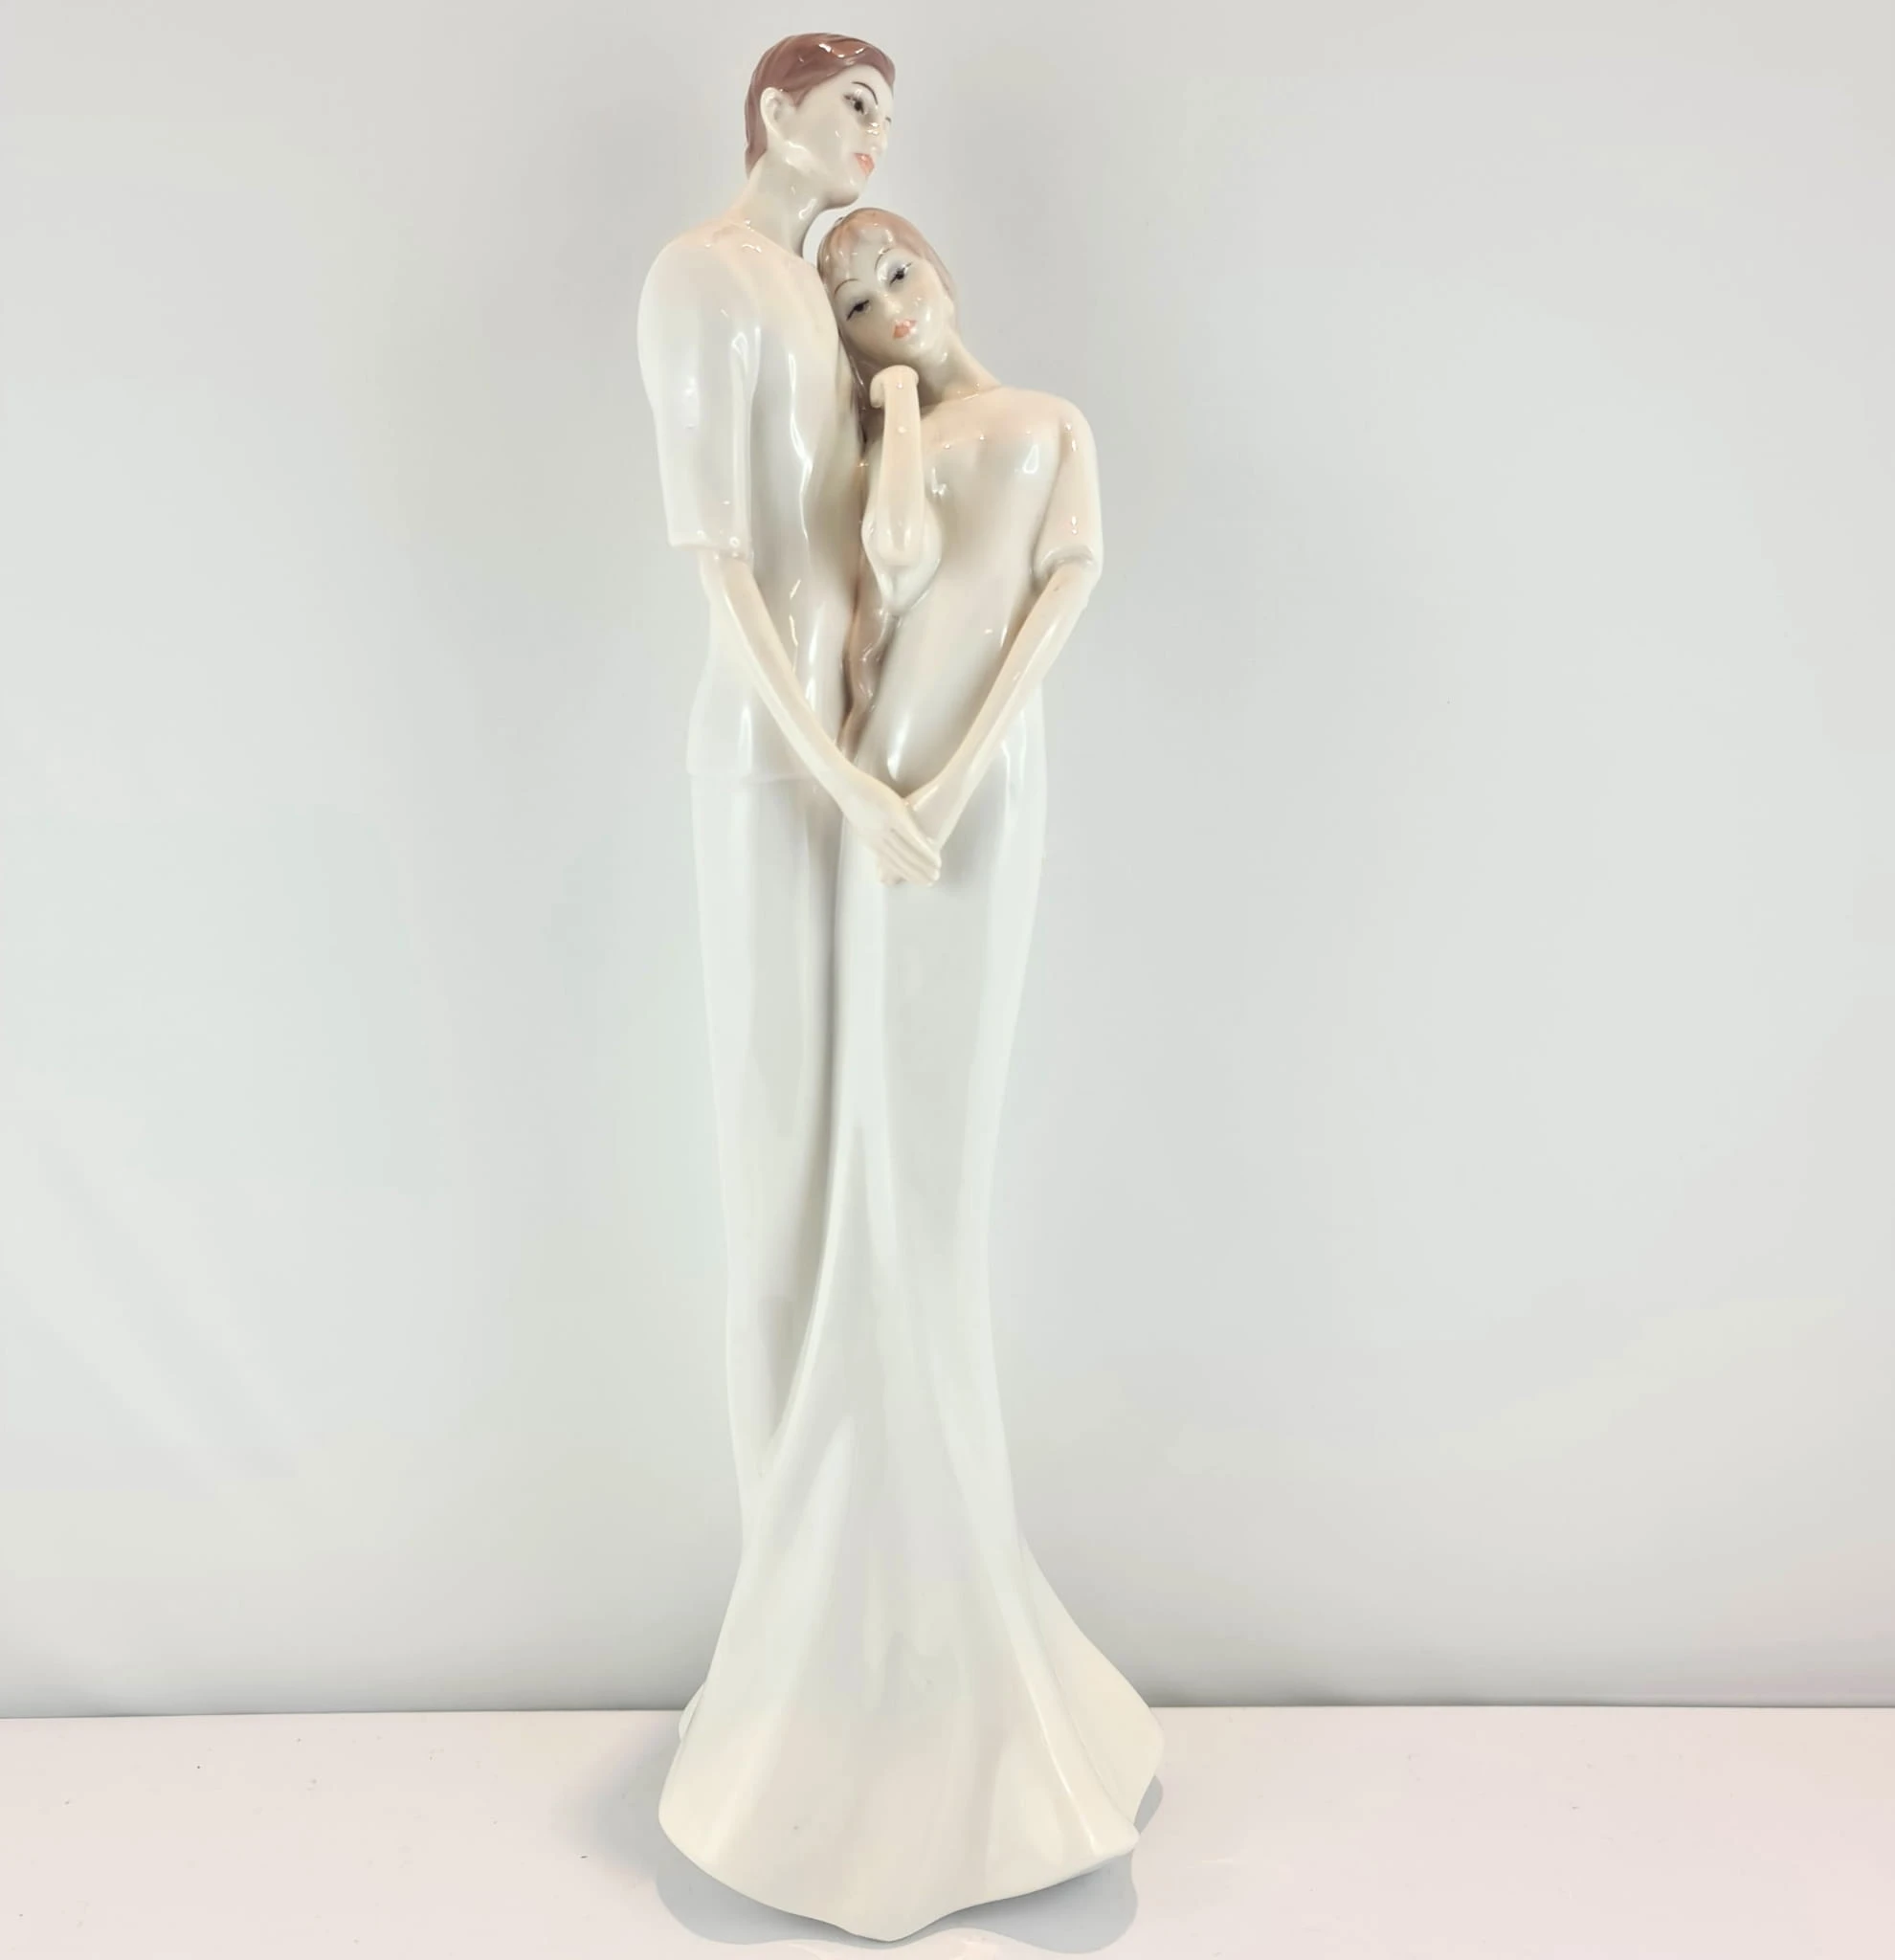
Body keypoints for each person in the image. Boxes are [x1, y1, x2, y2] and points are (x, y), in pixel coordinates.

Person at [653, 205, 1162, 1942]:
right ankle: (865, 1630)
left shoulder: (1049, 426)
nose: (883, 303)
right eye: (855, 300)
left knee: (930, 1190)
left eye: (895, 271)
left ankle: (965, 1670)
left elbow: (1053, 608)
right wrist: (884, 414)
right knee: (869, 1167)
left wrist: (948, 783)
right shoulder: (906, 440)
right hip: (877, 801)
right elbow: (887, 586)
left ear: (945, 266)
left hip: (968, 808)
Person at [636, 35, 938, 1559]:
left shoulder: (826, 299)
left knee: (856, 1175)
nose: (877, 136)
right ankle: (778, 1596)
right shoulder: (701, 277)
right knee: (775, 1175)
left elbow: (869, 556)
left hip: (856, 760)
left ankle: (846, 1581)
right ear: (777, 113)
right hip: (769, 766)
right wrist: (829, 769)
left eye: (888, 113)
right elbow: (720, 560)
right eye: (854, 107)